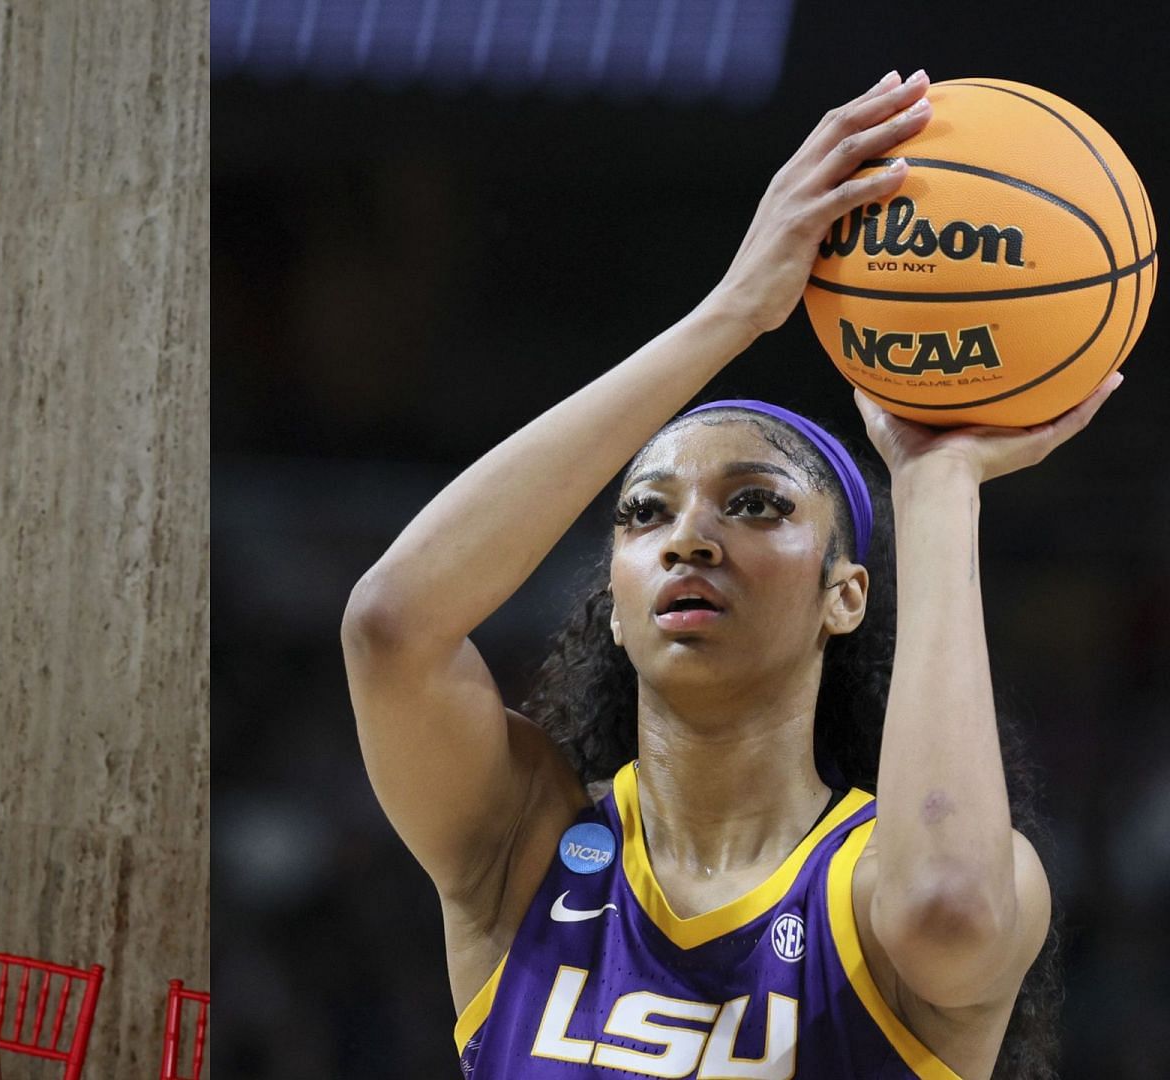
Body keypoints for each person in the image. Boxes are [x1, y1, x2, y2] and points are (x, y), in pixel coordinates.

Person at [341, 69, 1113, 1078]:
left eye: (755, 504)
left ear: (847, 594)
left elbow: (951, 910)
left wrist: (936, 485)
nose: (690, 538)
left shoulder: (880, 891)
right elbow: (392, 624)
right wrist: (734, 311)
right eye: (644, 512)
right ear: (613, 607)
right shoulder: (526, 850)